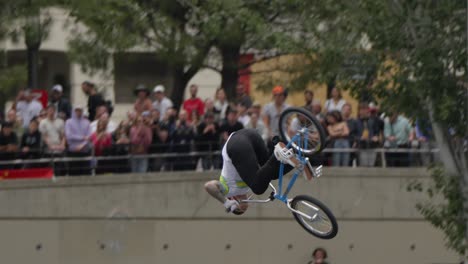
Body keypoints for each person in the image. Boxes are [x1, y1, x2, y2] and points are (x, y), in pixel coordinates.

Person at [204, 129, 308, 214]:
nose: (246, 203)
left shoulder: (227, 191)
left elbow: (209, 186)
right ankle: (297, 152)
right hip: (251, 136)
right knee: (272, 173)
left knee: (258, 188)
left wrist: (226, 202)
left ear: (233, 200)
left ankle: (277, 154)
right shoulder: (246, 185)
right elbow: (265, 172)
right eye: (246, 207)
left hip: (235, 145)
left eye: (242, 206)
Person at [65, 105, 92, 175]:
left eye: (80, 111)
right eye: (76, 110)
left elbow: (89, 136)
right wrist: (82, 138)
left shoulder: (87, 122)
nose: (78, 112)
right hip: (73, 151)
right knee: (73, 172)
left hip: (85, 151)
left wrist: (82, 145)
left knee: (86, 172)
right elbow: (69, 136)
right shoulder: (68, 122)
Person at [262, 85, 290, 151]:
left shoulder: (287, 108)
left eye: (280, 95)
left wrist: (288, 135)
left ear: (283, 96)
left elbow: (289, 122)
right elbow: (266, 123)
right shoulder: (268, 107)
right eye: (276, 95)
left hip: (284, 135)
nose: (278, 97)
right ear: (274, 96)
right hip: (273, 136)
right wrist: (270, 133)